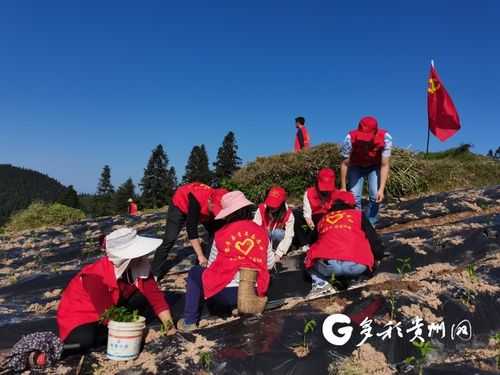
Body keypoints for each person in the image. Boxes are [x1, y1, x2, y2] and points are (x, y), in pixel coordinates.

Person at [56, 228, 175, 353]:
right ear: (125, 258)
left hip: (113, 307)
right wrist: (132, 331)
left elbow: (155, 297)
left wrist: (169, 326)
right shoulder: (94, 276)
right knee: (86, 339)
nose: (143, 256)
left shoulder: (139, 265)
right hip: (83, 317)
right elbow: (108, 314)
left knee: (143, 297)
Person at [177, 191, 275, 332]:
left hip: (226, 294)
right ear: (248, 209)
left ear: (228, 213)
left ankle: (189, 321)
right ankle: (241, 305)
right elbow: (270, 264)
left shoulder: (221, 234)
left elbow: (211, 267)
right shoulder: (262, 232)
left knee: (195, 272)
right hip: (255, 291)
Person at [304, 191, 383, 296]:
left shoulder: (323, 218)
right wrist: (378, 257)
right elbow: (373, 239)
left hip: (330, 267)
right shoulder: (358, 215)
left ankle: (321, 284)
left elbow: (312, 240)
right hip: (356, 265)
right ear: (352, 204)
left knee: (309, 257)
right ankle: (358, 278)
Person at [151, 182, 228, 280]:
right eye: (214, 208)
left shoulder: (220, 197)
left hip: (202, 209)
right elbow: (191, 229)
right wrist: (200, 256)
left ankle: (208, 263)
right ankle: (154, 273)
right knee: (170, 238)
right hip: (179, 205)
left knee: (215, 232)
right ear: (209, 201)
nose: (215, 212)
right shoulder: (196, 199)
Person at [340, 116, 392, 225]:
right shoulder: (350, 138)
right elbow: (345, 163)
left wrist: (381, 189)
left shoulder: (385, 138)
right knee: (354, 196)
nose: (365, 142)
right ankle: (356, 223)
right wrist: (343, 187)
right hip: (356, 165)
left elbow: (384, 164)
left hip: (374, 165)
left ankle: (371, 222)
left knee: (375, 194)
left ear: (375, 132)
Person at [294, 168, 337, 249]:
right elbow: (307, 216)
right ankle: (305, 244)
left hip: (331, 221)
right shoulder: (309, 193)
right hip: (314, 222)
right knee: (296, 214)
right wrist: (315, 230)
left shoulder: (337, 194)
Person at [254, 186, 295, 262]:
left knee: (278, 233)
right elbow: (254, 228)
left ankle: (274, 251)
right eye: (269, 204)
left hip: (276, 240)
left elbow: (289, 236)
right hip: (263, 237)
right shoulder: (261, 208)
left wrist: (278, 254)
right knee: (263, 232)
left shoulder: (289, 214)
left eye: (274, 206)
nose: (270, 207)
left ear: (282, 204)